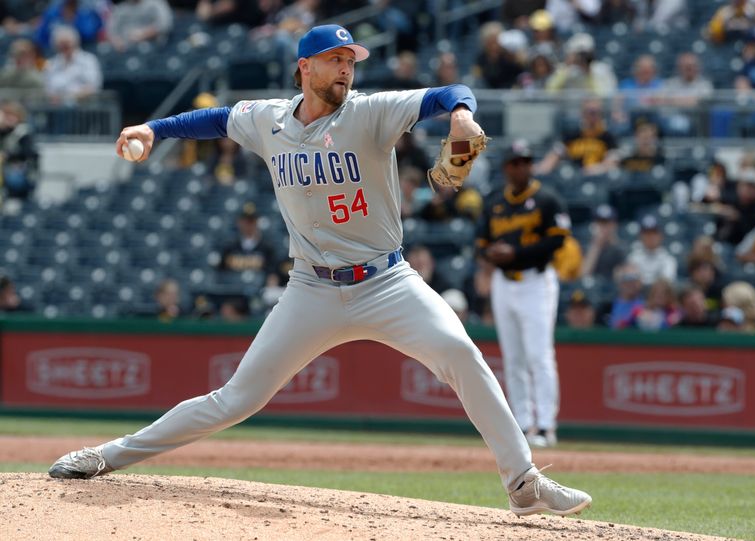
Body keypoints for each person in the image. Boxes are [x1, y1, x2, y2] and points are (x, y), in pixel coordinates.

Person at [47, 24, 592, 517]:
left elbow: (447, 95)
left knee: (460, 354)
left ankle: (523, 482)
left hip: (387, 282)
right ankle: (107, 456)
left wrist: (462, 114)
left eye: (351, 61)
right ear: (304, 67)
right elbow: (214, 119)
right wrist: (152, 128)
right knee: (237, 399)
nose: (347, 70)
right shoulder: (269, 120)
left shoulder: (369, 112)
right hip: (311, 287)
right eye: (335, 59)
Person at [477, 139, 573, 449]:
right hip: (505, 283)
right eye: (516, 162)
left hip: (536, 282)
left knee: (539, 355)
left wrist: (514, 252)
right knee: (514, 359)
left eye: (526, 162)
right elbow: (479, 240)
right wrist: (493, 253)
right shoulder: (494, 202)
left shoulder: (547, 200)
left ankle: (546, 425)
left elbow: (557, 242)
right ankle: (522, 424)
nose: (522, 167)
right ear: (506, 167)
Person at [535, 97, 619, 176]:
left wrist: (596, 169)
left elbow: (612, 161)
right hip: (574, 177)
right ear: (582, 113)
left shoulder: (608, 137)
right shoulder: (572, 134)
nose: (593, 116)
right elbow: (556, 153)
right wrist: (543, 168)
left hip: (598, 177)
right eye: (590, 112)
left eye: (596, 112)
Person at [218, 202, 279, 282]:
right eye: (245, 221)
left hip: (259, 290)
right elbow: (221, 272)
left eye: (251, 221)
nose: (248, 224)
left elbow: (272, 274)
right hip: (233, 290)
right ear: (239, 222)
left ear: (256, 222)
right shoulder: (229, 246)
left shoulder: (267, 247)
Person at [43, 25, 103, 105]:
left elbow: (94, 84)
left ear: (75, 42)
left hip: (86, 108)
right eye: (61, 44)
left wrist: (75, 96)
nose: (64, 46)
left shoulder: (89, 60)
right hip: (58, 109)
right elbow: (47, 88)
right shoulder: (51, 63)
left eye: (67, 43)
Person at [0, 100, 39, 201]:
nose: (8, 119)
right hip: (4, 170)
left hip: (20, 172)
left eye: (11, 115)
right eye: (6, 116)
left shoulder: (23, 131)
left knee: (13, 179)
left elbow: (28, 152)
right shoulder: (3, 131)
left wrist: (7, 155)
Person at [626, 214, 677, 286]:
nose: (650, 237)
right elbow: (632, 283)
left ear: (661, 235)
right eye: (647, 233)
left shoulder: (668, 259)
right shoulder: (633, 257)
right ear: (640, 236)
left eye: (654, 233)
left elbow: (666, 283)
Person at [580, 204, 626, 281]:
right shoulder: (586, 247)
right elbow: (584, 275)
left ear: (614, 225)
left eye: (607, 223)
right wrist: (596, 246)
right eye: (600, 222)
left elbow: (621, 278)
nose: (603, 227)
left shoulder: (621, 248)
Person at [107, 0, 174, 52]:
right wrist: (116, 41)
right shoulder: (121, 8)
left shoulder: (156, 3)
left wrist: (144, 34)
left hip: (153, 47)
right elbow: (111, 31)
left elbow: (165, 24)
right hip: (125, 49)